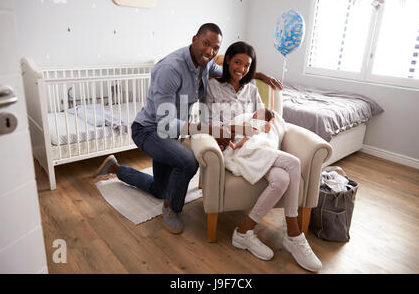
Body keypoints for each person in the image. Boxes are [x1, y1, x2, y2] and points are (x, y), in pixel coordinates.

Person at [94, 23, 282, 235]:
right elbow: (165, 124)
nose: (210, 51)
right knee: (187, 161)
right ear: (194, 39)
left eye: (215, 48)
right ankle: (172, 209)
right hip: (149, 130)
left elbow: (231, 72)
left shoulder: (206, 64)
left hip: (171, 133)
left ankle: (116, 169)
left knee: (160, 189)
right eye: (206, 44)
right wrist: (207, 129)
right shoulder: (170, 70)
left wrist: (258, 75)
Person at [205, 41, 322, 272]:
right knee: (293, 163)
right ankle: (294, 234)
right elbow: (211, 124)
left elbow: (261, 118)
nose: (242, 68)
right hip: (234, 147)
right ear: (227, 60)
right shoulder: (212, 87)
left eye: (247, 65)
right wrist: (239, 129)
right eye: (238, 62)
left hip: (256, 143)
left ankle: (244, 232)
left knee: (282, 179)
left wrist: (261, 123)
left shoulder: (252, 89)